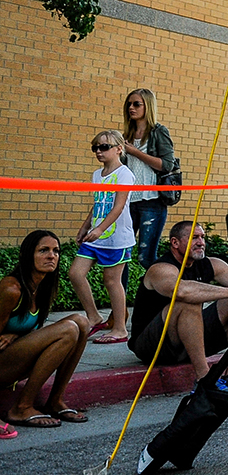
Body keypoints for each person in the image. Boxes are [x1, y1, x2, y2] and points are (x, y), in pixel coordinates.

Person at [129, 221, 228, 397]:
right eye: (194, 238)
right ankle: (204, 379)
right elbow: (183, 291)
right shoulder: (160, 269)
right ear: (175, 243)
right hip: (153, 346)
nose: (201, 242)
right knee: (187, 301)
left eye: (202, 237)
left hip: (187, 341)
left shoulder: (209, 264)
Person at [0, 231, 92, 430]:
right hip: (2, 366)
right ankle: (22, 407)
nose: (52, 256)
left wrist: (16, 334)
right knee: (68, 330)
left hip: (16, 359)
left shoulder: (42, 287)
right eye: (44, 250)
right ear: (27, 255)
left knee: (81, 323)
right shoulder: (11, 289)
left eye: (56, 251)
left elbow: (32, 332)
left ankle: (55, 401)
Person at [70, 129, 135, 343]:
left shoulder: (124, 174)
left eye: (104, 147)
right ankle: (94, 317)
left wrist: (99, 229)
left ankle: (120, 328)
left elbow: (118, 207)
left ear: (118, 149)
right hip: (95, 236)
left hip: (116, 237)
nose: (99, 151)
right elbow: (98, 204)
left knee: (112, 281)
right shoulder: (97, 175)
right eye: (95, 147)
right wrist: (86, 227)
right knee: (76, 273)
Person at [121, 88, 174, 268]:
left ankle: (157, 293)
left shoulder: (158, 132)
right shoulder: (126, 135)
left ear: (148, 106)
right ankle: (122, 296)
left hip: (152, 200)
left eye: (137, 104)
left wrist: (135, 152)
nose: (131, 108)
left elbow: (167, 164)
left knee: (146, 258)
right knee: (122, 255)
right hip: (128, 201)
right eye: (129, 104)